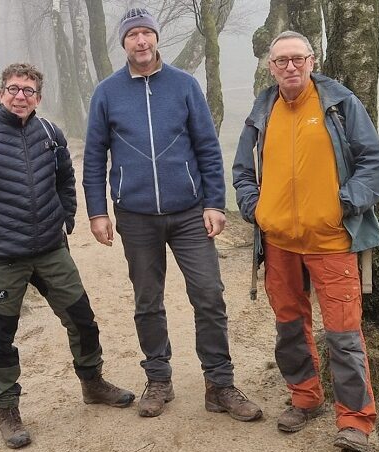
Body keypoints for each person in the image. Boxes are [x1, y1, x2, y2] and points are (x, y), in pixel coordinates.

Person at [0, 63, 135, 450]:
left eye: (29, 91)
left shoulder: (50, 134)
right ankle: (7, 407)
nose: (21, 96)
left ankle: (92, 383)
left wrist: (66, 217)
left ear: (38, 98)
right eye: (14, 89)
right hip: (2, 255)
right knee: (2, 336)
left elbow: (66, 179)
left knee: (82, 319)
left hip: (50, 250)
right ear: (1, 93)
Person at [82, 8, 262, 422]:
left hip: (188, 213)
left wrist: (215, 202)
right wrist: (97, 212)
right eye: (133, 35)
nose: (141, 41)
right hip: (135, 215)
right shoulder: (107, 93)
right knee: (148, 301)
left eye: (147, 33)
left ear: (156, 38)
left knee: (209, 296)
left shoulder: (184, 85)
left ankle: (219, 383)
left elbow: (207, 148)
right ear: (123, 42)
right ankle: (158, 379)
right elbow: (94, 157)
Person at [232, 31, 379, 452]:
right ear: (271, 67)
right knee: (288, 327)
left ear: (312, 60)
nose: (290, 67)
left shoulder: (340, 105)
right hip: (278, 241)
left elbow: (373, 164)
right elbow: (242, 170)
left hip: (332, 240)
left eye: (297, 59)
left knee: (343, 332)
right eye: (281, 61)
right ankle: (304, 398)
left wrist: (342, 205)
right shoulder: (262, 111)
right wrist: (256, 209)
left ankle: (355, 420)